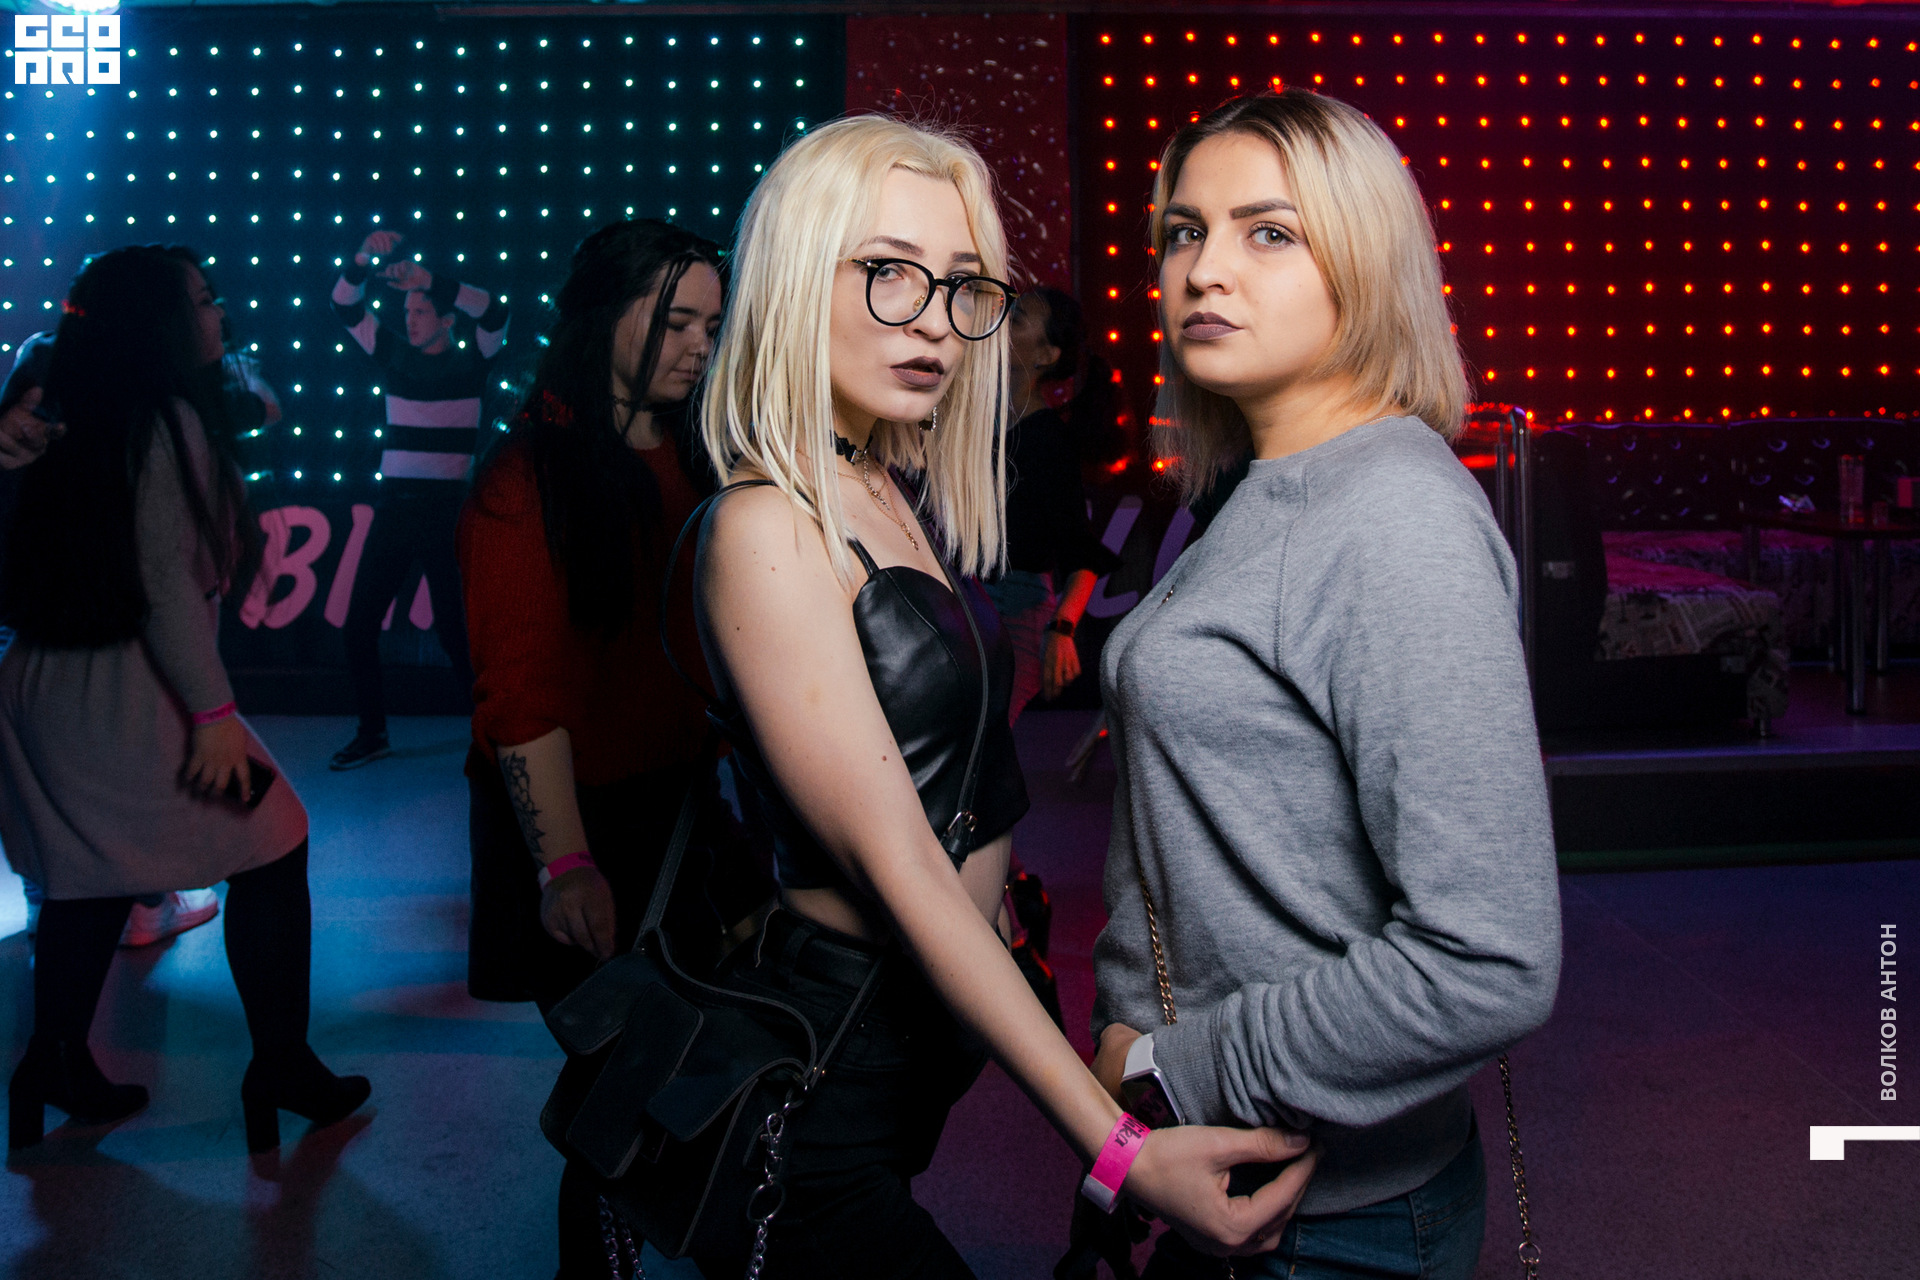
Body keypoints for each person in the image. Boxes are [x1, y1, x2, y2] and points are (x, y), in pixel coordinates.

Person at [678, 113, 1318, 1279]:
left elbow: (952, 775)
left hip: (920, 1042)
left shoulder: (882, 479)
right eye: (888, 271)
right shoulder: (765, 524)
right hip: (831, 1065)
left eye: (963, 285)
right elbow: (905, 866)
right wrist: (1118, 1150)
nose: (933, 319)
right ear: (793, 277)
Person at [1086, 90, 1562, 1280]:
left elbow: (1491, 956)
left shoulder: (1394, 514)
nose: (1203, 269)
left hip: (1327, 1222)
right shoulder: (1265, 484)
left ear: (1366, 260)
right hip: (1225, 1171)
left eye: (1269, 232)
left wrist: (1171, 1070)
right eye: (1184, 231)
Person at [0, 246, 369, 1152]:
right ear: (157, 323)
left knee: (90, 874)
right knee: (275, 842)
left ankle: (52, 1062)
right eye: (203, 300)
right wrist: (212, 717)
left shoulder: (77, 408)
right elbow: (166, 583)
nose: (220, 316)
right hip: (125, 689)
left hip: (51, 678)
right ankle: (280, 1065)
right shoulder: (164, 420)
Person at [458, 219, 772, 1277]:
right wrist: (565, 862)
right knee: (621, 1095)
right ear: (602, 317)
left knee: (695, 1077)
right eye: (675, 320)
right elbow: (521, 697)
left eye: (711, 326)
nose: (698, 346)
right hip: (577, 824)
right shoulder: (523, 480)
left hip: (683, 816)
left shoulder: (699, 454)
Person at [327, 230, 508, 770]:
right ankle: (373, 732)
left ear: (447, 319)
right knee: (359, 624)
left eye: (421, 310)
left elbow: (494, 311)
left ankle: (494, 734)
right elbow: (343, 303)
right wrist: (362, 259)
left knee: (456, 632)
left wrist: (428, 278)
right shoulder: (394, 356)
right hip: (396, 506)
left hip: (445, 510)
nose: (410, 319)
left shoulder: (473, 363)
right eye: (406, 310)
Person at [993, 286, 1124, 719]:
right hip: (973, 603)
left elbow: (1080, 553)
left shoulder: (1049, 441)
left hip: (1016, 612)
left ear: (1046, 355)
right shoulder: (976, 425)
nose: (1001, 320)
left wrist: (1061, 629)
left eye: (1017, 317)